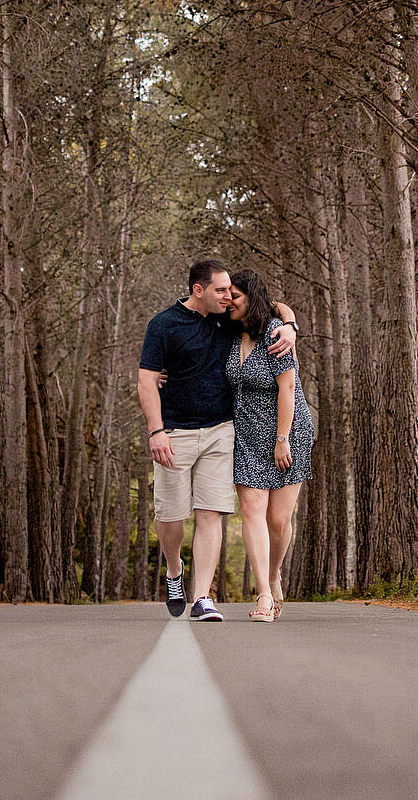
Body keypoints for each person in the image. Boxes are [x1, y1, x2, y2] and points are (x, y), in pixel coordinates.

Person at [137, 258, 297, 621]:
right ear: (199, 290)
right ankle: (174, 569)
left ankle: (201, 597)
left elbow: (272, 305)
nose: (228, 296)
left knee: (211, 513)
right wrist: (156, 431)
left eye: (231, 291)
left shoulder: (229, 318)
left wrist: (289, 326)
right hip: (174, 432)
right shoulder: (163, 325)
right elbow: (146, 381)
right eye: (221, 290)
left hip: (222, 429)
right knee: (171, 515)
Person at [226, 269, 314, 623]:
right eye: (227, 295)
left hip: (288, 430)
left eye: (235, 295)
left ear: (252, 298)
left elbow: (287, 389)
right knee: (251, 509)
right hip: (245, 435)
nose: (229, 301)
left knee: (278, 519)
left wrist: (282, 439)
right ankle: (263, 593)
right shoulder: (226, 334)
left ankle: (275, 573)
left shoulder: (275, 334)